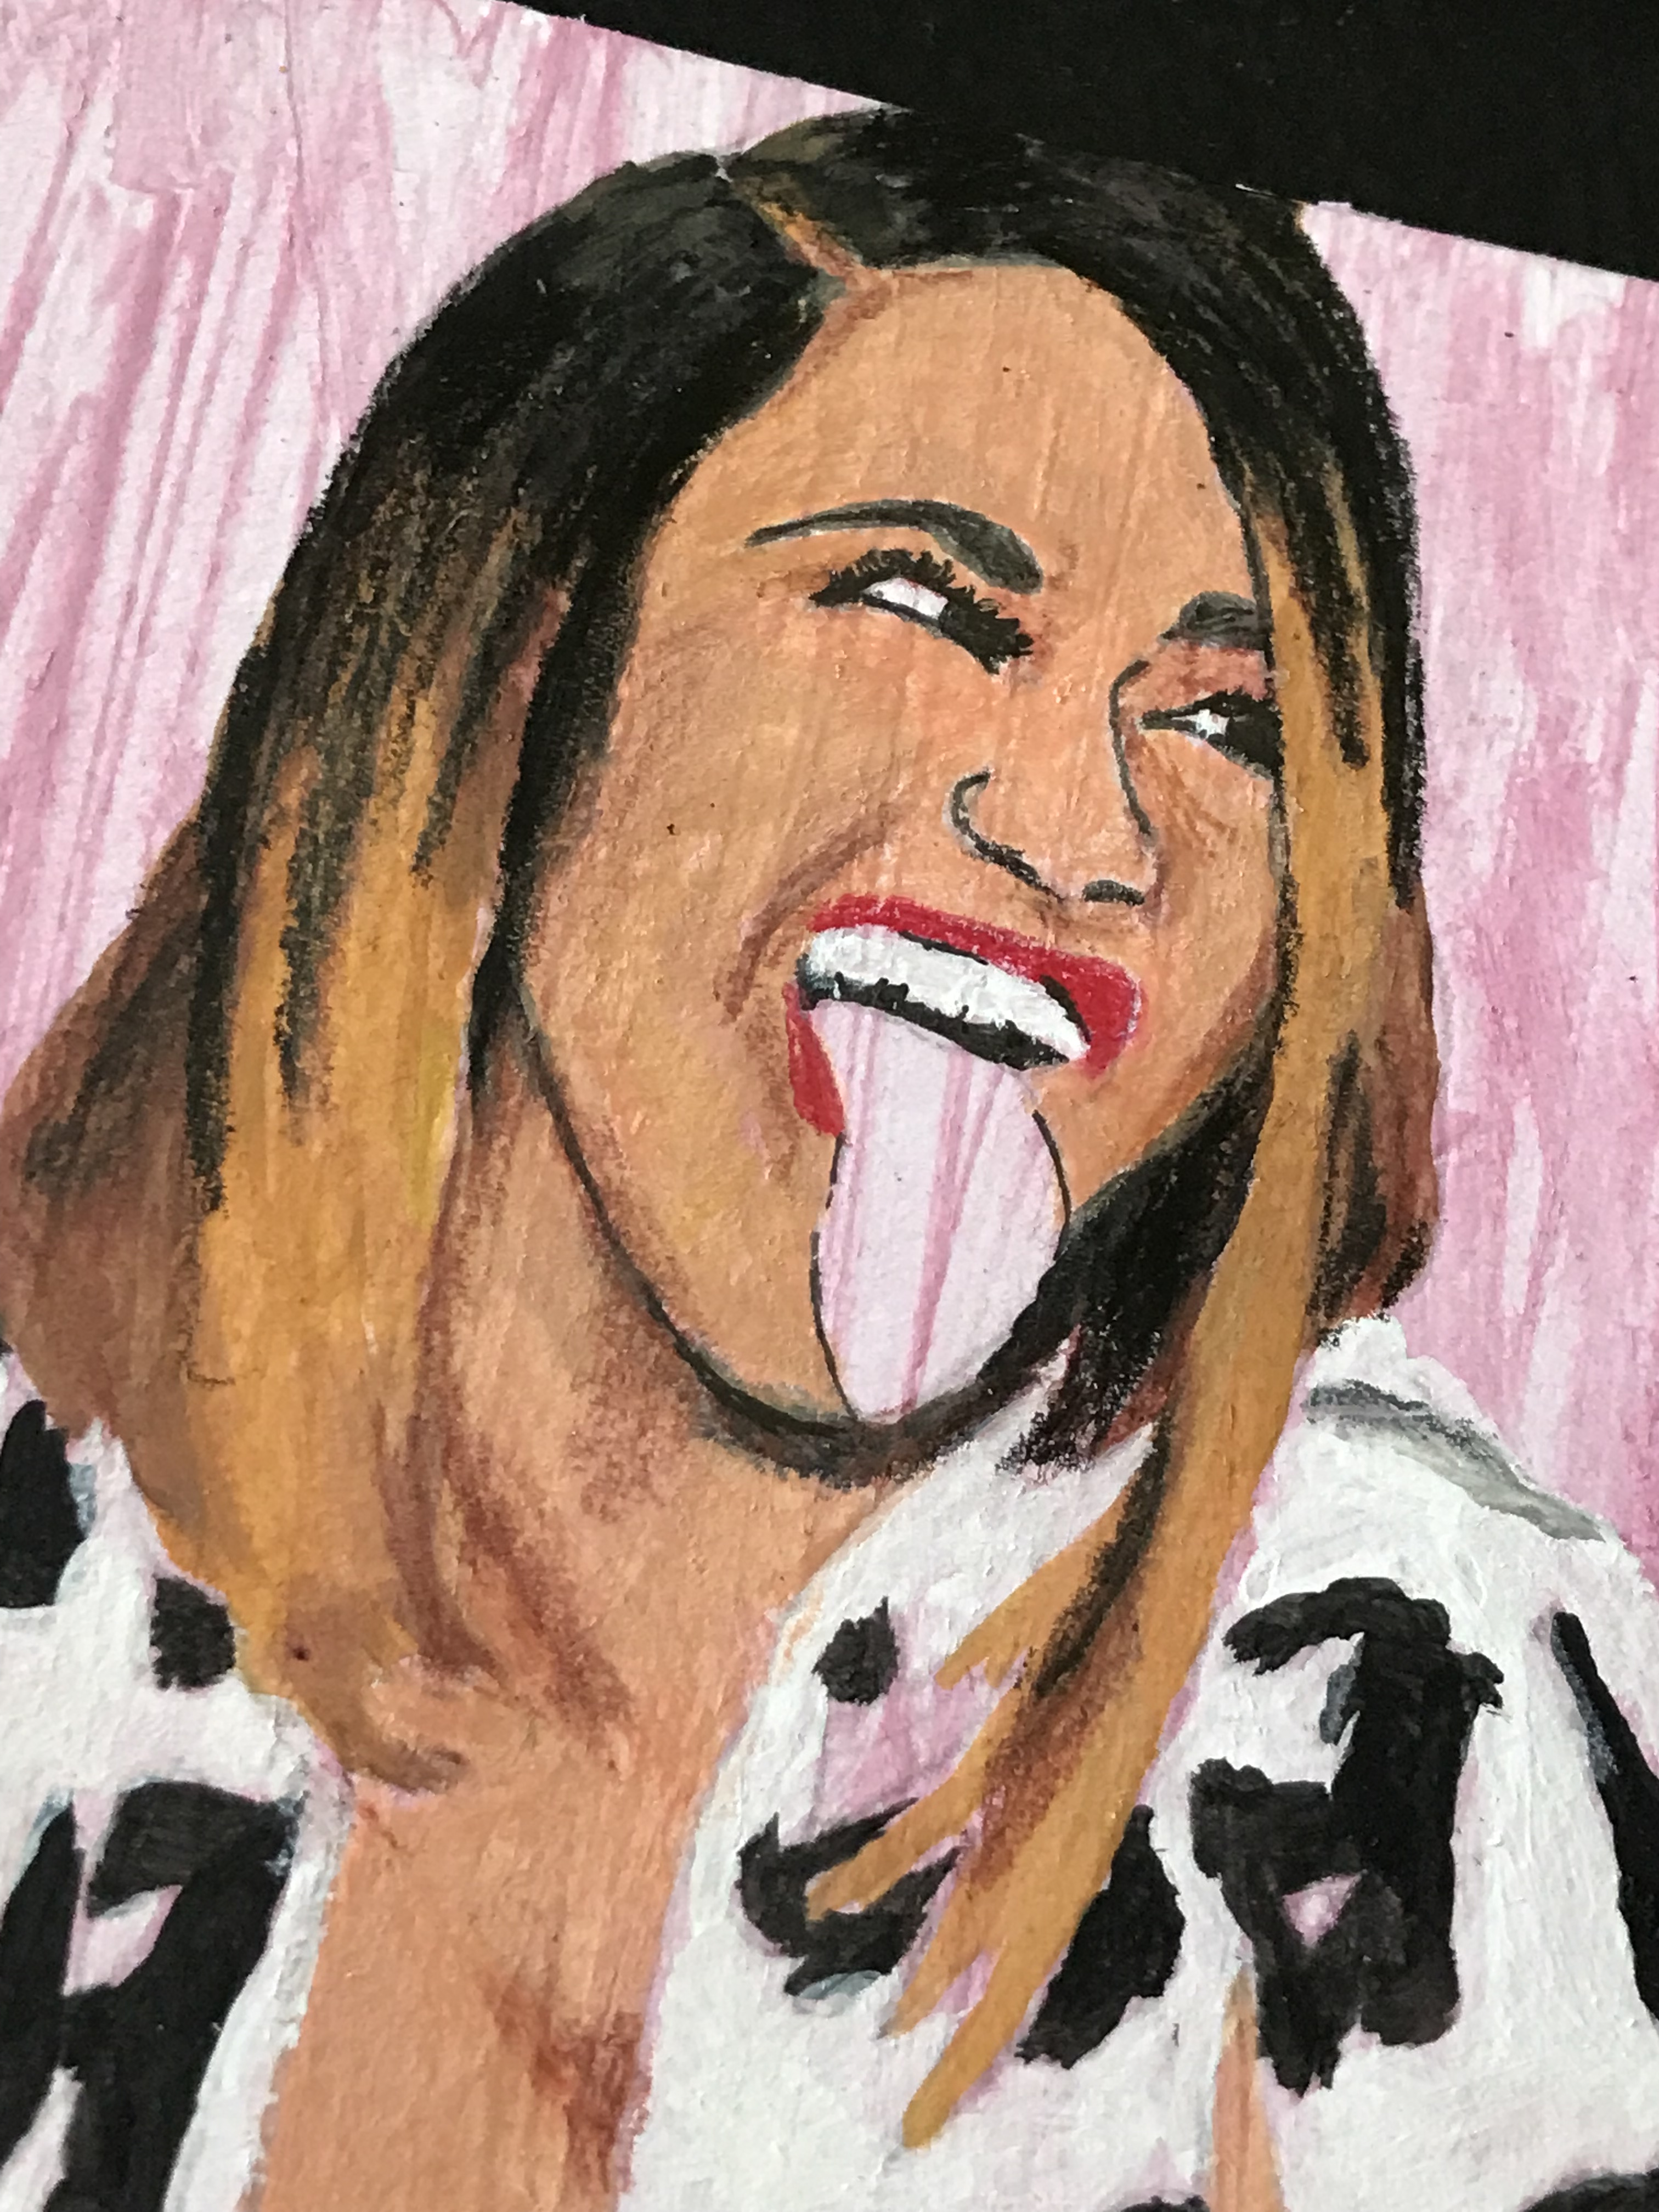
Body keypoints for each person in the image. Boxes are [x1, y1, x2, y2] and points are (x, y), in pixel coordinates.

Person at [0, 104, 1656, 2212]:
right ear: (517, 670)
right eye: (924, 598)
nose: (1087, 833)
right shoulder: (52, 1589)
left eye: (1226, 722)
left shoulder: (1409, 1710)